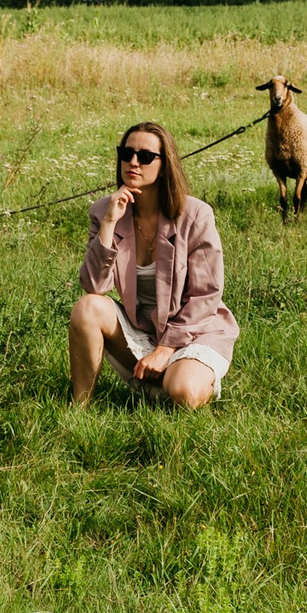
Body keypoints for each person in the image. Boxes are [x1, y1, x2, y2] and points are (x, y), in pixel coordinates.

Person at [68, 123, 238, 409]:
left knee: (184, 393)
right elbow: (95, 285)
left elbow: (206, 295)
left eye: (145, 157)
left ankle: (185, 380)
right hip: (142, 330)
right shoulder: (104, 211)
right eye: (127, 154)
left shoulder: (196, 215)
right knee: (87, 307)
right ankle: (80, 407)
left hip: (195, 331)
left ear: (164, 165)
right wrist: (109, 224)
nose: (133, 162)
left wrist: (165, 349)